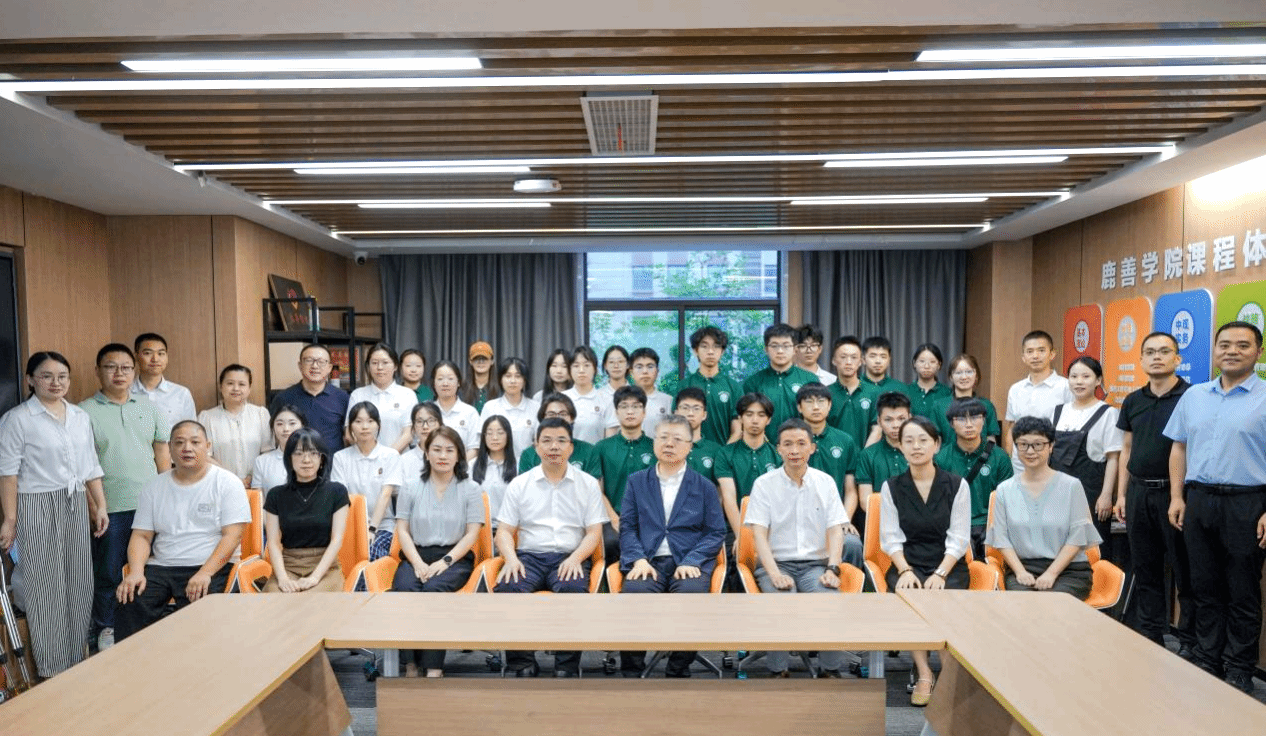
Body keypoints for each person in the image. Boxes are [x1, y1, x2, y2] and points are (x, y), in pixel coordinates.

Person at [1164, 320, 1266, 694]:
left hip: (1248, 503)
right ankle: (1208, 658)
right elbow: (1178, 447)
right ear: (1215, 350)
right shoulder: (1195, 396)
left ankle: (1239, 667)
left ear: (1259, 352)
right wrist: (1177, 496)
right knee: (1203, 586)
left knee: (1242, 590)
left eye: (1242, 345)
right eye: (1224, 344)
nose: (1232, 351)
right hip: (1199, 499)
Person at [0, 352, 107, 677]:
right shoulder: (18, 419)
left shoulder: (79, 416)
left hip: (74, 502)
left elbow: (90, 465)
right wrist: (10, 520)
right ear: (30, 380)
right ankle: (52, 668)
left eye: (62, 376)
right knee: (44, 586)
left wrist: (100, 505)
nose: (55, 383)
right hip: (35, 504)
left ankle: (77, 660)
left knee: (79, 581)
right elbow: (8, 473)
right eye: (46, 376)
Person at [494, 418, 608, 677]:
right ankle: (521, 663)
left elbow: (594, 533)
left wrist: (576, 558)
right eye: (546, 440)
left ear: (571, 447)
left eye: (561, 440)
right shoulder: (520, 483)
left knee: (572, 589)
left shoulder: (588, 484)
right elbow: (504, 531)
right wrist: (511, 559)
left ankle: (566, 666)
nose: (554, 446)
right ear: (536, 446)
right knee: (510, 588)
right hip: (528, 557)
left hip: (570, 556)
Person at [114, 421, 249, 640]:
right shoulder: (154, 487)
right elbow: (141, 536)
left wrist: (205, 573)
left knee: (199, 613)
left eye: (195, 442)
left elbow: (233, 536)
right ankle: (132, 661)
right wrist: (136, 571)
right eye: (179, 443)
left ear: (207, 446)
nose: (187, 448)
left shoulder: (227, 483)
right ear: (169, 448)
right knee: (130, 599)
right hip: (162, 566)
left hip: (209, 566)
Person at [618, 415, 726, 677]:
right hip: (648, 561)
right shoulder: (636, 481)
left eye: (677, 439)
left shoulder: (704, 486)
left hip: (687, 562)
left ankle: (678, 669)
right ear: (654, 442)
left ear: (690, 446)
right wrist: (638, 559)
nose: (669, 444)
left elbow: (716, 532)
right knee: (634, 596)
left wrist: (692, 560)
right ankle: (632, 672)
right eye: (663, 437)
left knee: (691, 596)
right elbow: (627, 527)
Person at [80, 343, 171, 652]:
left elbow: (162, 456)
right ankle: (107, 627)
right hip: (111, 508)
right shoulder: (83, 412)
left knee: (151, 569)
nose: (119, 373)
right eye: (111, 367)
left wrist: (167, 498)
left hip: (150, 506)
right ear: (98, 371)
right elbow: (82, 465)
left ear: (134, 371)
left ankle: (145, 624)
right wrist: (94, 506)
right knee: (108, 572)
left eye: (126, 368)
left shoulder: (150, 407)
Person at [746, 418, 850, 678]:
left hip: (815, 566)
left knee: (830, 602)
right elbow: (758, 534)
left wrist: (833, 569)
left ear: (812, 448)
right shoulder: (764, 484)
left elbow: (835, 530)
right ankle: (778, 671)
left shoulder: (825, 482)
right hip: (776, 564)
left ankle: (830, 670)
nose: (794, 450)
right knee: (782, 601)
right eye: (788, 444)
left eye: (801, 443)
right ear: (778, 449)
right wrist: (774, 574)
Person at [878, 416, 972, 705]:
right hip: (908, 562)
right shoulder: (891, 487)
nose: (916, 447)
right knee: (910, 597)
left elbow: (959, 537)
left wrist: (941, 573)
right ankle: (924, 673)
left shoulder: (957, 485)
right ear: (900, 446)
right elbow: (890, 537)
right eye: (908, 441)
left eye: (923, 440)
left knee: (944, 601)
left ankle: (950, 672)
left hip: (947, 563)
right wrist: (905, 569)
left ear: (937, 444)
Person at [1114, 331, 1195, 653]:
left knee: (1185, 571)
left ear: (1177, 358)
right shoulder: (1133, 400)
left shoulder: (1192, 397)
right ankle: (1151, 637)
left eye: (1164, 351)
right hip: (1138, 493)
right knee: (1146, 569)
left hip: (1176, 496)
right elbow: (1127, 448)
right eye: (1150, 352)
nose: (1156, 357)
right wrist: (1122, 494)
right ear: (1141, 360)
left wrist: (1179, 495)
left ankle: (1189, 642)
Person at [390, 426, 483, 677]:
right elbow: (402, 531)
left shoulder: (471, 488)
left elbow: (472, 534)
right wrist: (418, 563)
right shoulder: (410, 487)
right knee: (405, 589)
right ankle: (410, 664)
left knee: (433, 590)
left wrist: (446, 561)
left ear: (459, 455)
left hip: (455, 558)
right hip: (416, 554)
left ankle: (433, 667)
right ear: (426, 453)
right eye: (437, 449)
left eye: (449, 450)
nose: (443, 455)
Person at [986, 416, 1100, 600]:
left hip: (1069, 570)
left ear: (1051, 446)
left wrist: (1051, 574)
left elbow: (1078, 537)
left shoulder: (1071, 486)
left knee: (1052, 603)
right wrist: (1020, 572)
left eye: (1038, 444)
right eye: (1023, 444)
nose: (1030, 451)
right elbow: (1001, 537)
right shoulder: (1004, 490)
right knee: (1023, 604)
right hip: (1023, 568)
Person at [1050, 357, 1122, 561]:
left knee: (1093, 552)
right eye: (1073, 376)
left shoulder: (1108, 413)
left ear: (1098, 380)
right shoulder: (1058, 411)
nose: (1079, 382)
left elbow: (1113, 458)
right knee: (1057, 549)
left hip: (1091, 494)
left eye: (1086, 376)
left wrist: (1106, 495)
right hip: (1056, 493)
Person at [261, 428, 349, 593]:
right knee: (274, 598)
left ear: (321, 458)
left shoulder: (337, 492)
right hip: (288, 566)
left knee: (313, 601)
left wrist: (314, 578)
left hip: (324, 568)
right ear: (289, 458)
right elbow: (273, 543)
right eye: (299, 453)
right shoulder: (275, 495)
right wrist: (283, 579)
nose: (306, 460)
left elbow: (336, 540)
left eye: (313, 453)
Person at [934, 398, 1013, 560]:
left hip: (991, 527)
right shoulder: (941, 459)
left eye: (975, 417)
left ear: (984, 420)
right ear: (951, 423)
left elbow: (1008, 501)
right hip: (955, 527)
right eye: (961, 419)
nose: (969, 424)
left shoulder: (1000, 457)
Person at [795, 384, 863, 567]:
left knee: (853, 545)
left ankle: (848, 585)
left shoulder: (845, 441)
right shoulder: (791, 441)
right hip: (798, 519)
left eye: (821, 401)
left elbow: (850, 490)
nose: (816, 407)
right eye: (809, 402)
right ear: (799, 407)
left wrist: (844, 520)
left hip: (834, 518)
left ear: (830, 405)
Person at [332, 402, 402, 561]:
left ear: (378, 425)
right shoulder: (340, 457)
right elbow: (342, 497)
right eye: (358, 421)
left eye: (370, 421)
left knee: (373, 553)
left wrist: (371, 529)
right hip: (351, 526)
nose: (365, 427)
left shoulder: (390, 455)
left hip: (383, 526)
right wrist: (359, 528)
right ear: (350, 426)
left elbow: (386, 494)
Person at [594, 385, 655, 564]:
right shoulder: (602, 447)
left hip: (648, 518)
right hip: (612, 517)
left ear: (644, 412)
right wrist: (614, 519)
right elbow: (597, 490)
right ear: (616, 412)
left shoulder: (656, 447)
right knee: (610, 542)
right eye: (624, 406)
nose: (630, 411)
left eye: (636, 406)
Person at [714, 393, 780, 547]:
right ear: (740, 418)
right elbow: (729, 497)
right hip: (734, 527)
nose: (755, 420)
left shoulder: (778, 455)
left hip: (771, 528)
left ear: (769, 420)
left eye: (761, 415)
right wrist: (742, 536)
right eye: (749, 415)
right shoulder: (725, 453)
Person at [1003, 330, 1072, 474]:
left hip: (1053, 464)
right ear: (1023, 357)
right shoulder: (1016, 389)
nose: (1035, 356)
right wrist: (1009, 458)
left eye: (1041, 350)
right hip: (1019, 466)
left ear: (1052, 354)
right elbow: (1011, 427)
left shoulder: (1066, 387)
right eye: (1030, 351)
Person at [742, 323, 819, 443]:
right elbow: (745, 417)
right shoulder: (753, 382)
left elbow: (817, 415)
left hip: (799, 445)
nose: (780, 351)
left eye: (786, 346)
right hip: (764, 446)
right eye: (774, 346)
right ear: (766, 349)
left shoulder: (809, 379)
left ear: (795, 349)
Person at [269, 344, 350, 454]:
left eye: (321, 362)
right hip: (294, 462)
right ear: (300, 366)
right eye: (309, 360)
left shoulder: (342, 397)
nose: (315, 366)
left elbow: (349, 435)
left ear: (329, 368)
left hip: (333, 462)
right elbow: (273, 436)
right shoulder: (283, 398)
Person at [198, 364, 271, 485]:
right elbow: (204, 455)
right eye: (230, 383)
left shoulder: (261, 414)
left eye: (242, 384)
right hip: (220, 482)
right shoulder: (207, 418)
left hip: (256, 482)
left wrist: (251, 477)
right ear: (221, 386)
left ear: (249, 388)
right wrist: (231, 479)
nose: (236, 388)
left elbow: (267, 452)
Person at [346, 343, 417, 453]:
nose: (379, 367)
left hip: (399, 458)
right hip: (364, 458)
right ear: (368, 366)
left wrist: (386, 457)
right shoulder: (358, 395)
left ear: (395, 366)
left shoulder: (407, 395)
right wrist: (370, 455)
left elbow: (409, 434)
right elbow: (349, 434)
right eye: (374, 363)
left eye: (385, 363)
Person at [680, 326, 742, 445]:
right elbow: (678, 424)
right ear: (695, 351)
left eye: (716, 346)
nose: (710, 352)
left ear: (722, 351)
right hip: (689, 452)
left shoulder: (733, 387)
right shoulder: (684, 385)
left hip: (724, 453)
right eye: (704, 346)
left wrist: (723, 453)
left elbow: (737, 431)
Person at [516, 393, 603, 479]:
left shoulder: (589, 451)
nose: (557, 418)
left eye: (563, 414)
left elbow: (594, 486)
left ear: (572, 418)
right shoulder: (529, 454)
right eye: (551, 414)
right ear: (542, 418)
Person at [855, 391, 912, 510]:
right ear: (879, 421)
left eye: (901, 419)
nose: (895, 425)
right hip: (880, 518)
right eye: (888, 420)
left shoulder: (919, 452)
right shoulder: (867, 455)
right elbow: (866, 502)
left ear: (910, 418)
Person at [931, 353, 1001, 445]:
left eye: (969, 372)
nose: (964, 377)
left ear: (976, 376)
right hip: (947, 454)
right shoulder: (939, 406)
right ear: (951, 377)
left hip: (981, 454)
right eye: (958, 373)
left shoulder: (986, 405)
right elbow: (935, 440)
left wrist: (986, 454)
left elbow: (991, 438)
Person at [479, 357, 538, 464]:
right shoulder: (490, 407)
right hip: (496, 466)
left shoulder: (536, 407)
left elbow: (540, 442)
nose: (513, 381)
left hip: (527, 466)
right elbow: (482, 442)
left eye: (518, 376)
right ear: (500, 380)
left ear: (524, 380)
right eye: (508, 376)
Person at [130, 333, 196, 428]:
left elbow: (190, 430)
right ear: (135, 356)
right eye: (148, 353)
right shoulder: (125, 391)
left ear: (166, 357)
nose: (155, 359)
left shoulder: (181, 394)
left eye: (161, 354)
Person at [827, 335, 880, 449]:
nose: (848, 362)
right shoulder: (826, 393)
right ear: (834, 360)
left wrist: (865, 456)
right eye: (843, 357)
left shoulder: (874, 392)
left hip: (865, 456)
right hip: (834, 455)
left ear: (861, 361)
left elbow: (877, 428)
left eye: (854, 357)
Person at [471, 415, 516, 531]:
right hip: (480, 530)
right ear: (483, 437)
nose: (494, 438)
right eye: (489, 433)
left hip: (510, 530)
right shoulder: (472, 465)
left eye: (500, 433)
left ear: (508, 436)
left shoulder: (518, 464)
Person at [564, 346, 617, 444]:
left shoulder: (607, 399)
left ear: (595, 369)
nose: (581, 370)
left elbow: (610, 440)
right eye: (576, 366)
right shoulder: (561, 399)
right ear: (569, 370)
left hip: (597, 453)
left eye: (586, 365)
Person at [251, 406, 307, 496]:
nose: (286, 429)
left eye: (292, 423)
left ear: (302, 426)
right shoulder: (261, 461)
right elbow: (258, 500)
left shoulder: (315, 458)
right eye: (280, 424)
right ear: (273, 428)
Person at [673, 387, 722, 484]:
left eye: (696, 409)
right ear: (676, 413)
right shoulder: (667, 446)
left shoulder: (716, 451)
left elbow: (720, 487)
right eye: (685, 408)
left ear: (704, 415)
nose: (690, 413)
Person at [431, 360, 480, 457]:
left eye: (450, 379)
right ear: (434, 383)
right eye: (440, 379)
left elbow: (474, 449)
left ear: (458, 382)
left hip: (463, 465)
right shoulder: (428, 412)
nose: (445, 383)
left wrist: (459, 465)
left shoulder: (470, 412)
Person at [629, 347, 673, 436]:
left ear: (657, 371)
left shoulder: (668, 401)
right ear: (631, 372)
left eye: (650, 367)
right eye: (639, 367)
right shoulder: (622, 400)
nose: (645, 371)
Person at [905, 343, 951, 421]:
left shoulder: (947, 392)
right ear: (914, 363)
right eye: (922, 361)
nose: (926, 366)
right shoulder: (906, 391)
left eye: (932, 362)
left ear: (939, 365)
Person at [400, 402, 443, 484]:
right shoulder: (403, 461)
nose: (425, 427)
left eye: (431, 421)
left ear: (440, 425)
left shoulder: (448, 456)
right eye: (419, 421)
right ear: (413, 427)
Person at [458, 341, 499, 414]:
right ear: (470, 361)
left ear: (492, 361)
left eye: (484, 358)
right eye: (476, 358)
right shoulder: (461, 389)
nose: (481, 362)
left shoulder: (500, 389)